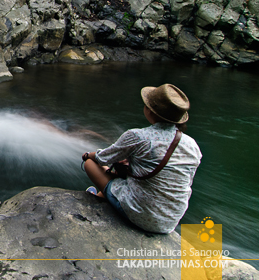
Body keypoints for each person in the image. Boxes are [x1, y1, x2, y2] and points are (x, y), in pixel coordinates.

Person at [81, 83, 202, 234]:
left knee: (90, 164)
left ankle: (105, 196)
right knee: (124, 164)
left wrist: (88, 155)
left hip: (140, 215)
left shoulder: (138, 136)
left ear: (150, 111)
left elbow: (102, 158)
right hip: (170, 221)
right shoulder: (192, 145)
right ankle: (104, 195)